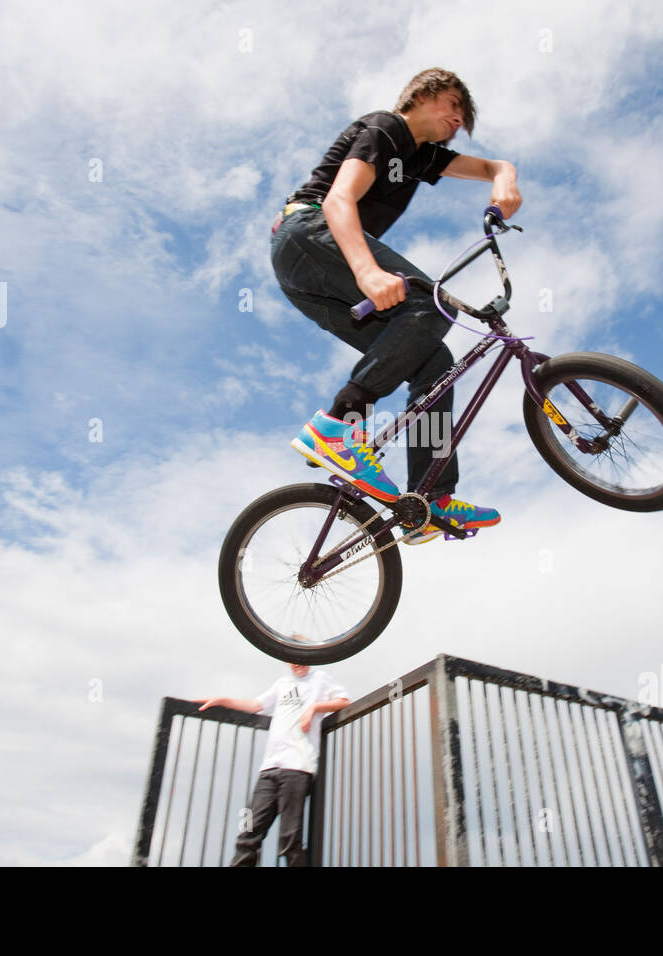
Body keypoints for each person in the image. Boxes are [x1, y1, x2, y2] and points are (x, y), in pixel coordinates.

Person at [270, 67, 522, 545]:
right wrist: (368, 273)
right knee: (428, 304)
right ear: (423, 96)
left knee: (434, 358)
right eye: (452, 105)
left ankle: (431, 498)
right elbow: (338, 200)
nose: (458, 118)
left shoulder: (422, 157)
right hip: (309, 236)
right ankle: (337, 430)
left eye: (464, 114)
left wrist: (505, 174)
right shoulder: (387, 129)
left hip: (311, 274)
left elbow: (489, 167)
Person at [195, 660, 350, 866]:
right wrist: (223, 700)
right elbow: (255, 705)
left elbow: (344, 701)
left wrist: (314, 708)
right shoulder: (282, 684)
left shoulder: (319, 679)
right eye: (293, 661)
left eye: (303, 660)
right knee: (248, 832)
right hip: (269, 769)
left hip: (297, 767)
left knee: (289, 838)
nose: (298, 665)